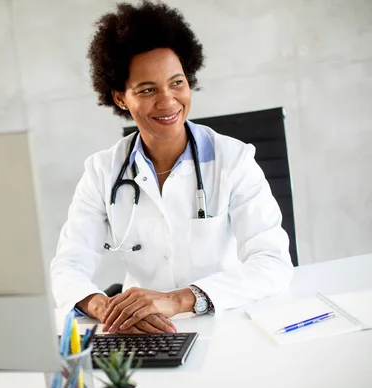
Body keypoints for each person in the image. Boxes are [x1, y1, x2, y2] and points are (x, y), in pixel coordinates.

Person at [49, 1, 293, 334]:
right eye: (147, 90)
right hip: (139, 331)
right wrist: (108, 309)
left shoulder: (233, 160)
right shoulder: (102, 172)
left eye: (176, 83)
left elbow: (273, 264)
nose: (167, 101)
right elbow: (68, 266)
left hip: (225, 320)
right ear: (121, 98)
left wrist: (178, 300)